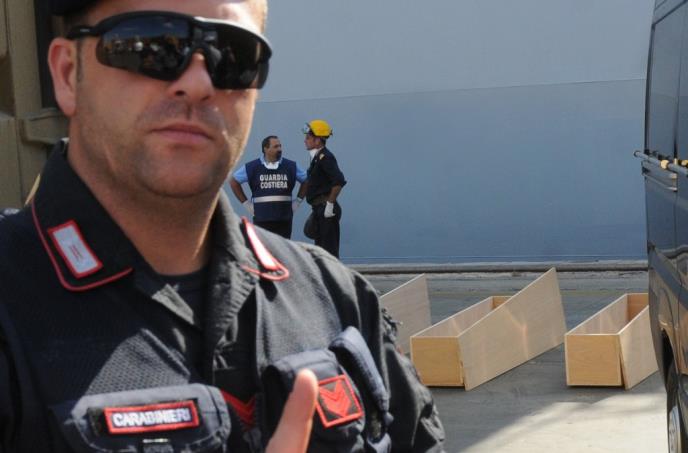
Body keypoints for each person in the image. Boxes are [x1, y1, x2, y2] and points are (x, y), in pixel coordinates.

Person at [0, 0, 445, 452]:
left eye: (233, 54)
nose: (198, 83)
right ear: (67, 74)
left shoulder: (335, 298)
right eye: (151, 45)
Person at [229, 135, 307, 238]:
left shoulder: (290, 166)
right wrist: (246, 204)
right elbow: (234, 181)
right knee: (263, 246)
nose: (279, 149)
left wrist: (298, 201)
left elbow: (307, 180)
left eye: (280, 146)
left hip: (283, 219)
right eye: (275, 147)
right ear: (266, 149)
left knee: (283, 247)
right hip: (262, 218)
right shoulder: (253, 167)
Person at [303, 119, 346, 258]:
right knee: (320, 251)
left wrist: (330, 205)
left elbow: (338, 181)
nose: (305, 141)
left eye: (308, 138)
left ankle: (332, 273)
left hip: (326, 210)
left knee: (329, 252)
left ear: (317, 141)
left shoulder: (326, 157)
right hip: (319, 209)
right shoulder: (317, 158)